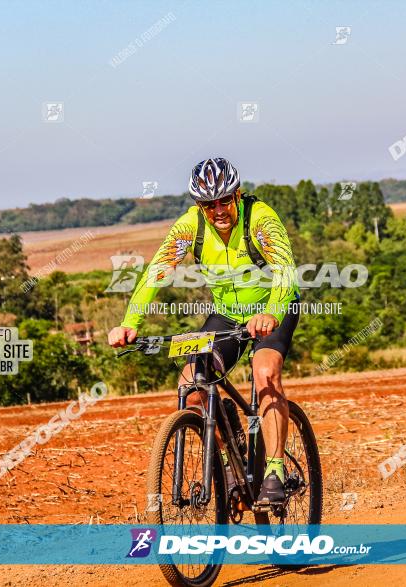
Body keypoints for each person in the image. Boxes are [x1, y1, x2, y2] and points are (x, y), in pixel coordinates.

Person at [107, 157, 300, 504]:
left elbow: (285, 271)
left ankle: (274, 470)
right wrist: (129, 324)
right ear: (199, 205)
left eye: (225, 200)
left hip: (275, 307)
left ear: (237, 195)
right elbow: (157, 273)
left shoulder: (261, 220)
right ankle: (228, 459)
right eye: (208, 204)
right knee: (191, 386)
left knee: (265, 373)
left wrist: (271, 312)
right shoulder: (188, 227)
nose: (218, 210)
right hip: (226, 314)